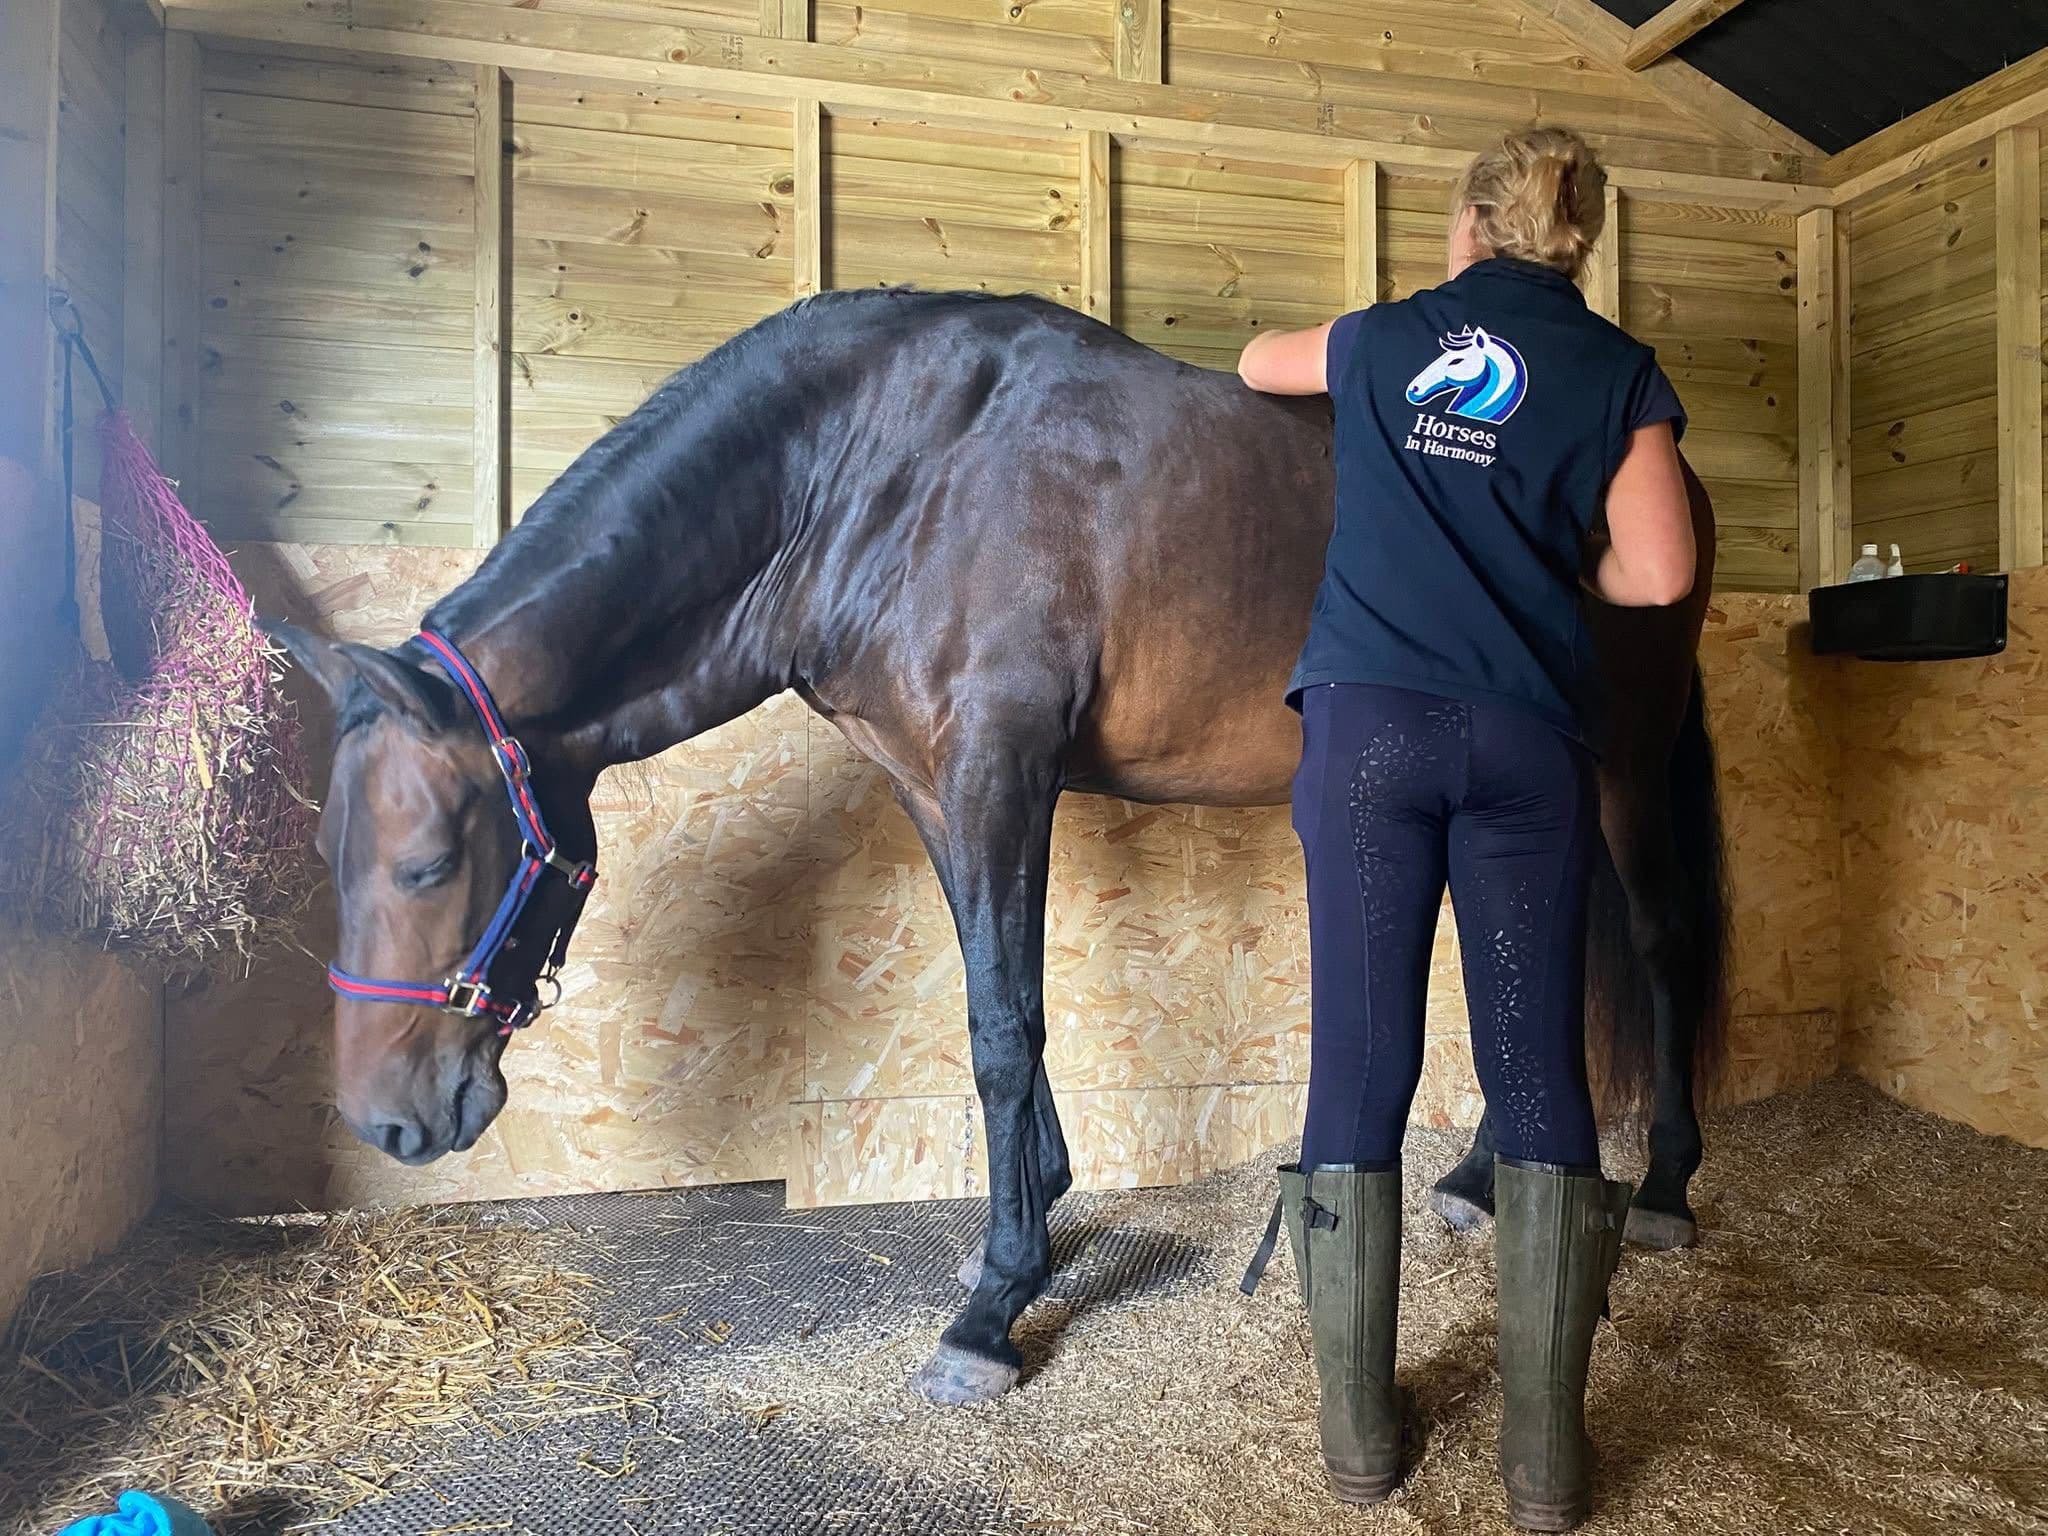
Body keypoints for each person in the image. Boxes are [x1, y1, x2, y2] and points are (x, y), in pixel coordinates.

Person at [1235, 127, 1696, 1532]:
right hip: (1524, 748)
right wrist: (1550, 549)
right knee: (1535, 1066)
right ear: (1575, 245)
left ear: (1466, 229)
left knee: (1362, 1062)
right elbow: (1659, 568)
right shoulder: (1617, 372)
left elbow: (1259, 361)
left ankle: (1361, 1441)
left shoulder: (1384, 339)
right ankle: (1548, 1468)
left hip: (1370, 739)